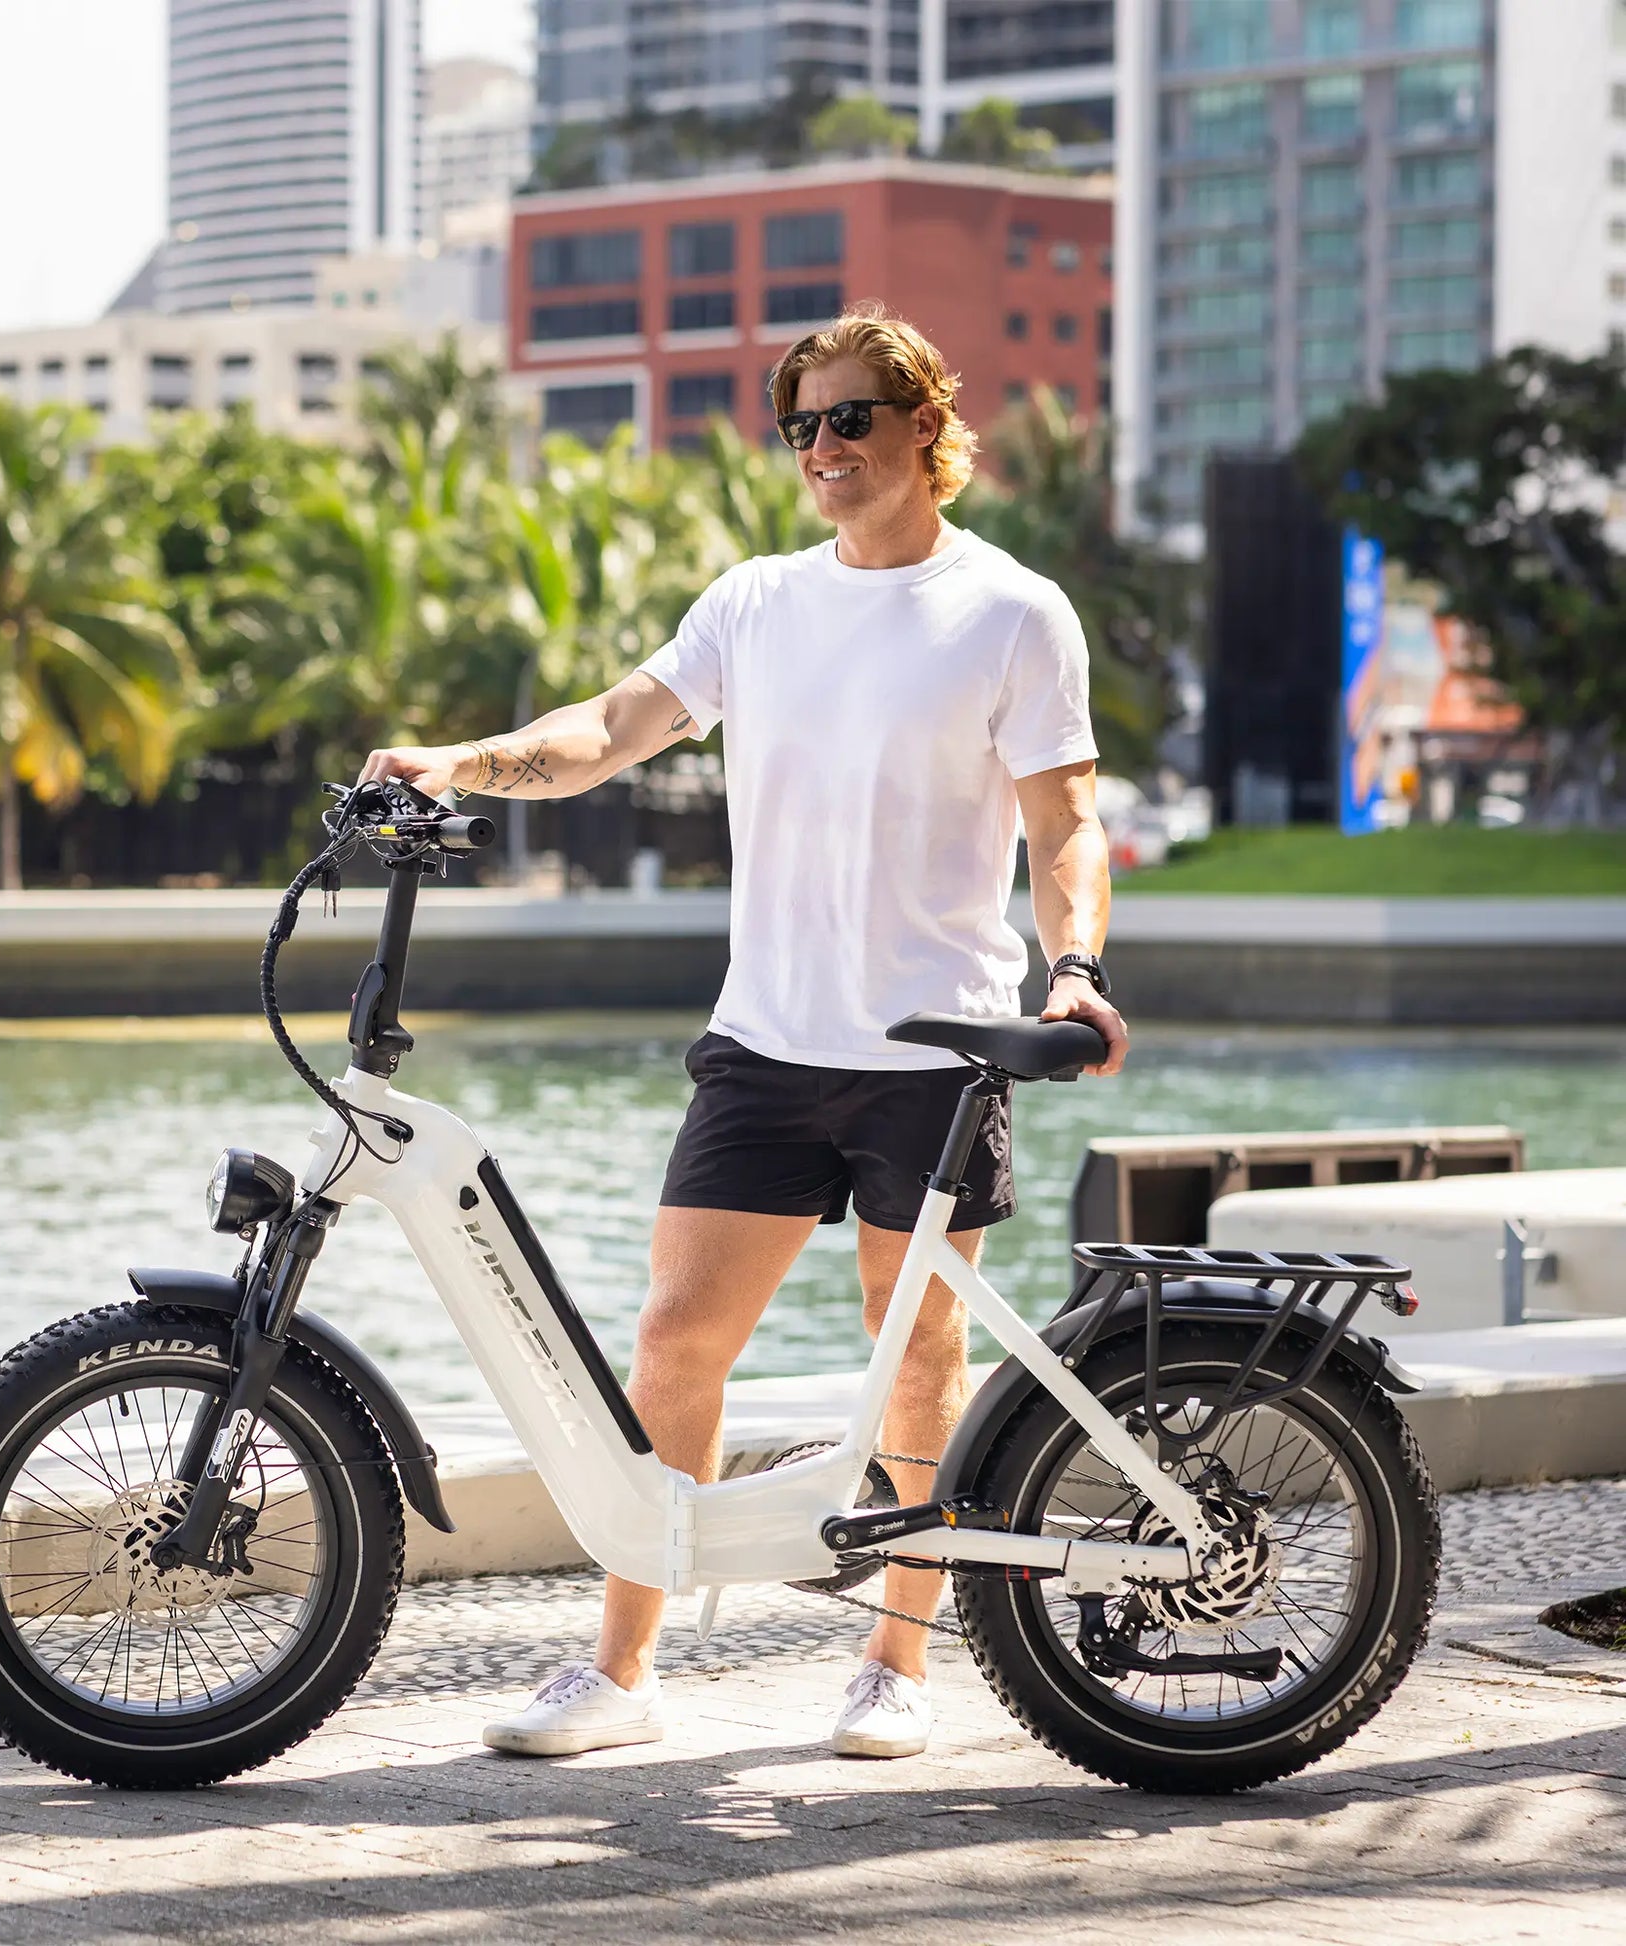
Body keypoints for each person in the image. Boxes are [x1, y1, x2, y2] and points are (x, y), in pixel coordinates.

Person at [360, 303, 1129, 1761]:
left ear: (923, 426)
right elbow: (612, 727)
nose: (822, 448)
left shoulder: (1013, 610)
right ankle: (623, 1671)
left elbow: (1064, 820)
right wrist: (454, 761)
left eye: (849, 418)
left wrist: (1071, 963)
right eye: (800, 425)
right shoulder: (756, 602)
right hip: (766, 1042)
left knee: (912, 1361)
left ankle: (895, 1660)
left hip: (937, 1048)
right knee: (672, 1340)